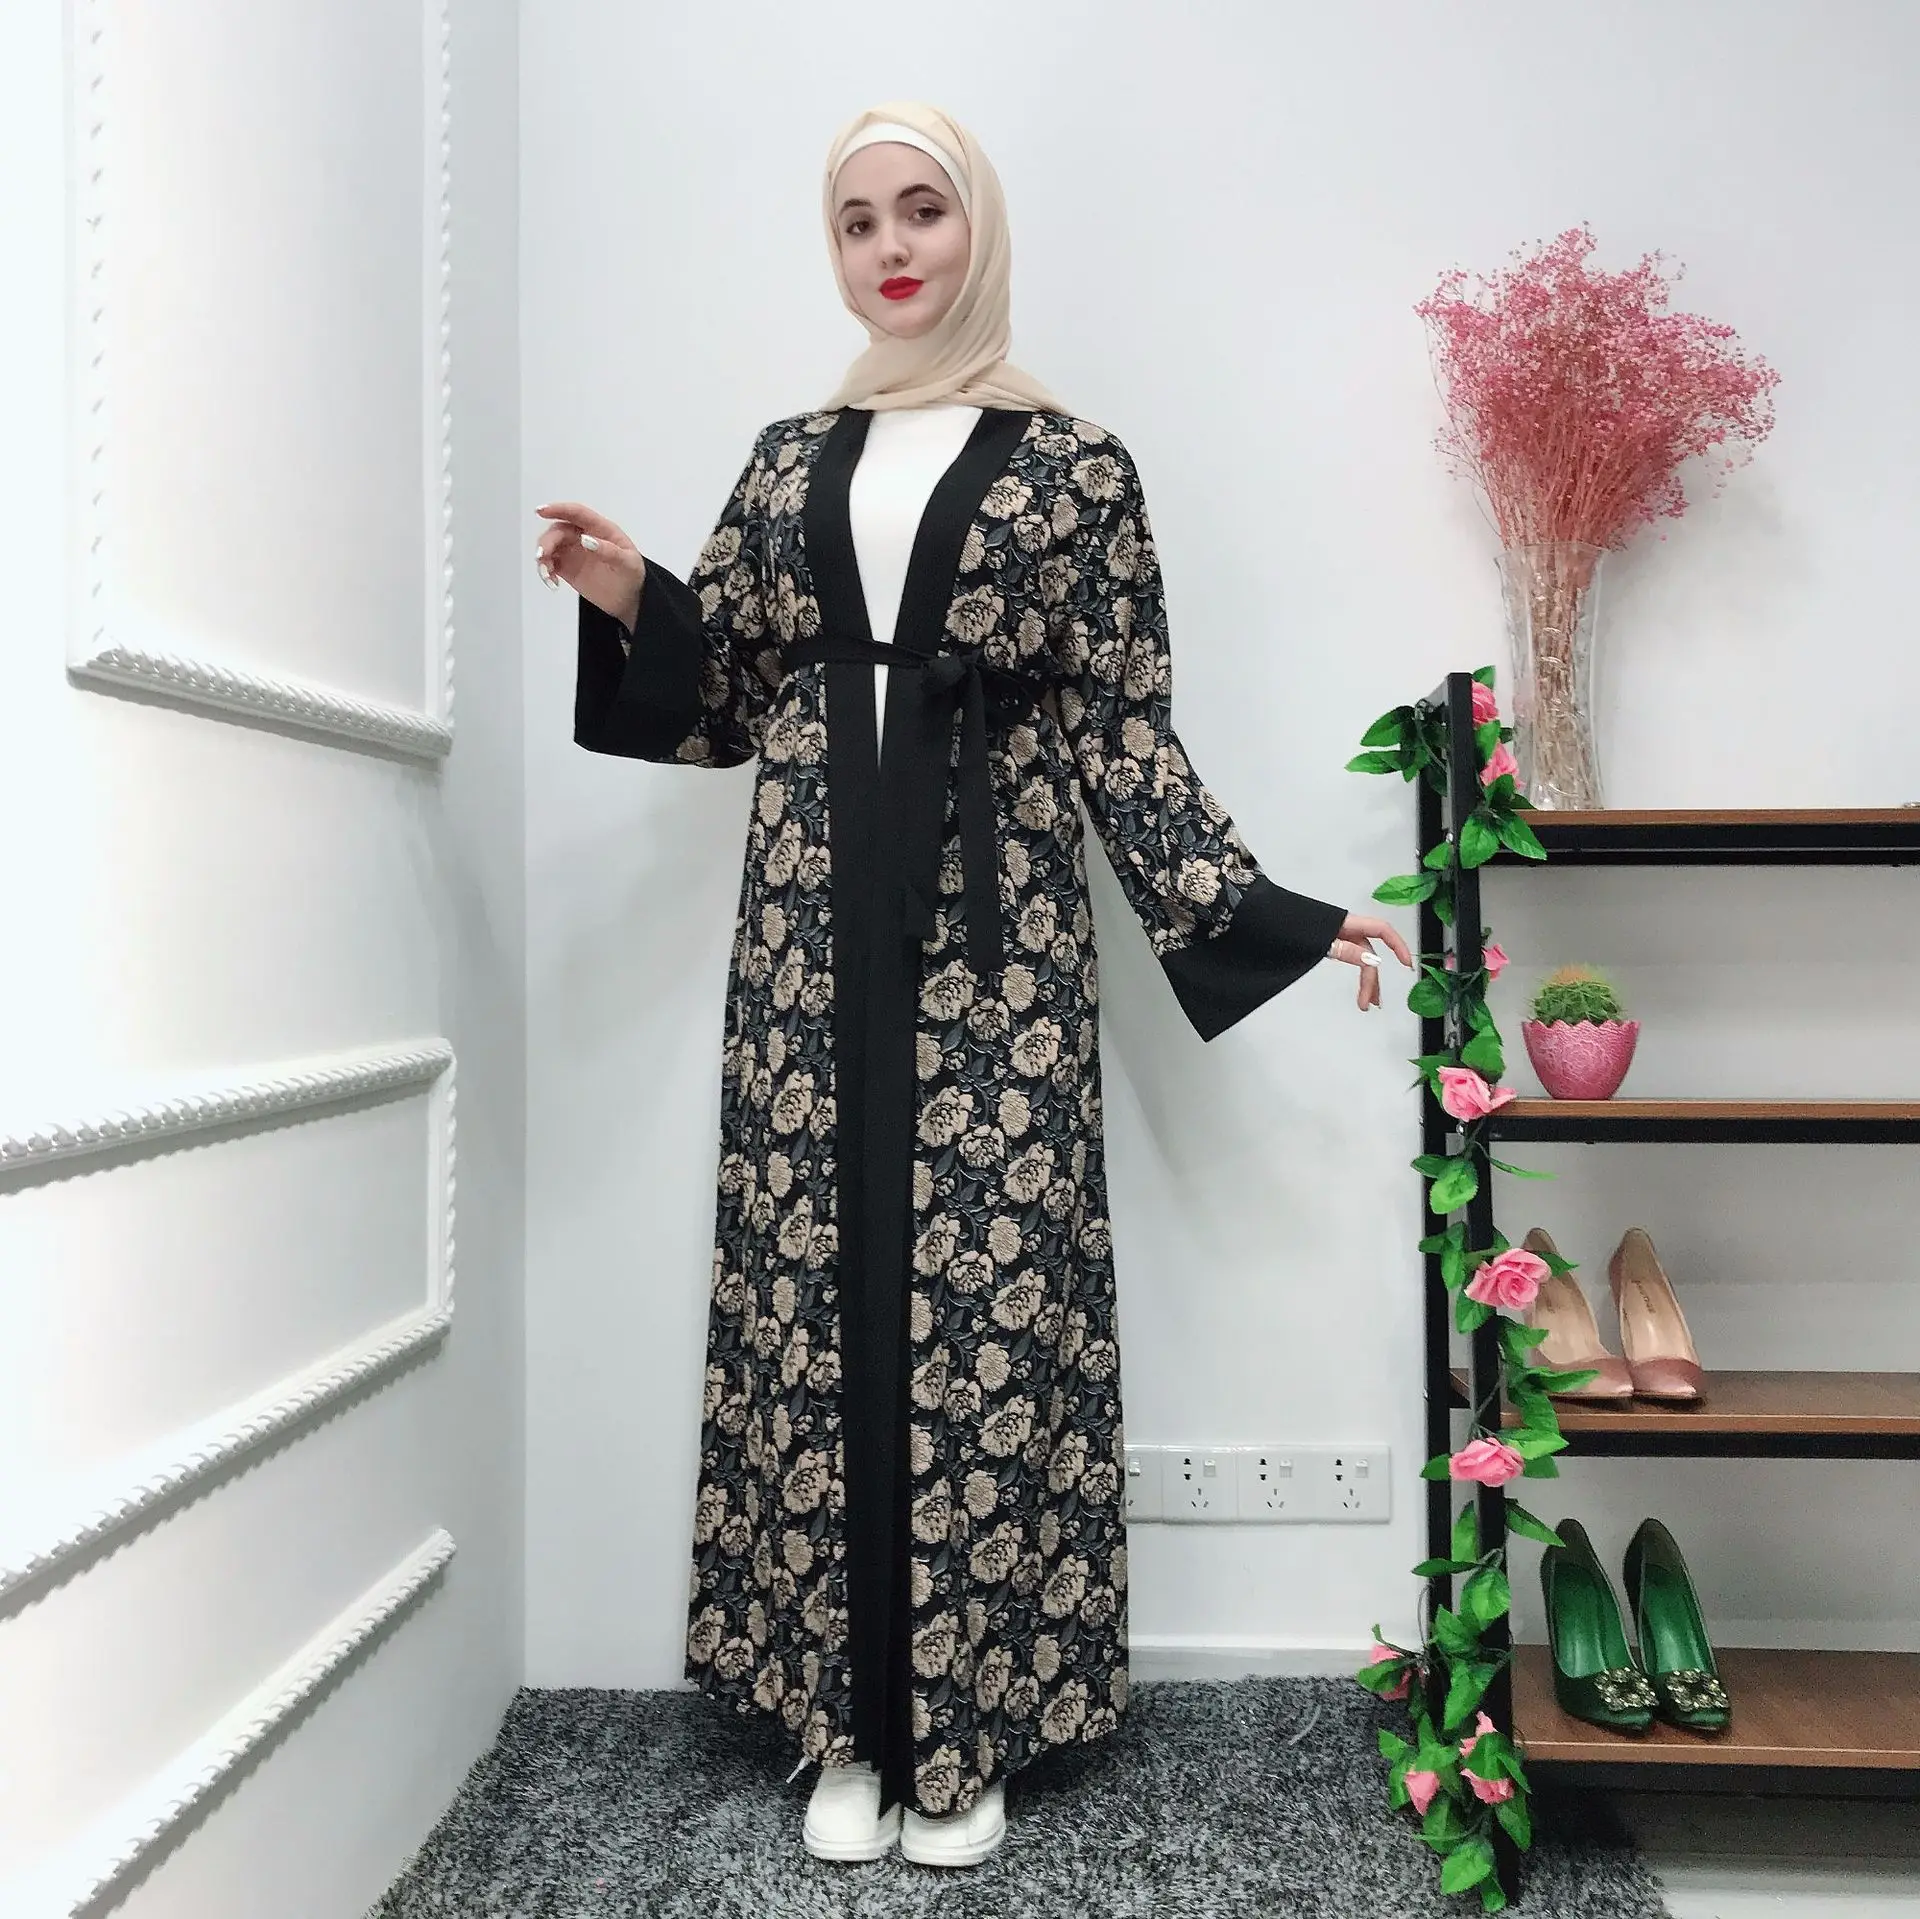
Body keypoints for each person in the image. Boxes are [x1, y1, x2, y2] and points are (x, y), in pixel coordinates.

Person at [534, 99, 1411, 1872]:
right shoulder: (789, 459)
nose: (891, 246)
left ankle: (969, 1726)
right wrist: (633, 594)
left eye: (921, 209)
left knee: (993, 1300)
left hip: (997, 939)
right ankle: (843, 1723)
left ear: (979, 226)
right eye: (856, 219)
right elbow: (730, 703)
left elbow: (1118, 726)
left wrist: (1264, 910)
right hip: (806, 936)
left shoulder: (1077, 466)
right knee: (811, 1287)